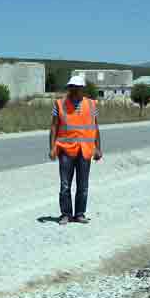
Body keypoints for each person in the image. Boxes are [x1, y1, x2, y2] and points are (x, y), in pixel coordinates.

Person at [49, 75, 102, 225]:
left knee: (83, 185)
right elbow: (54, 127)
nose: (74, 90)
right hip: (65, 150)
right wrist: (52, 147)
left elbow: (96, 127)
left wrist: (98, 148)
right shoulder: (59, 104)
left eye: (77, 87)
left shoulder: (91, 105)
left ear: (82, 89)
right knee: (65, 185)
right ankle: (65, 214)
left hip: (85, 150)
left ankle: (79, 214)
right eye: (72, 87)